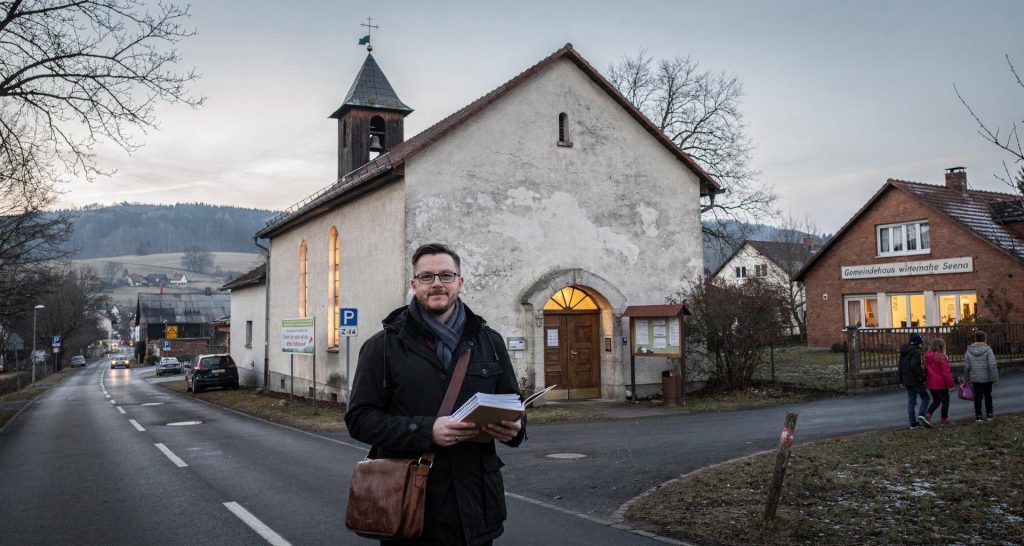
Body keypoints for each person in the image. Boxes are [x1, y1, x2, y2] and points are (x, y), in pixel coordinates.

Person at [345, 243, 525, 545]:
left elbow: (513, 402)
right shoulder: (383, 347)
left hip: (475, 510)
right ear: (414, 284)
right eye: (427, 277)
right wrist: (428, 430)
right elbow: (360, 419)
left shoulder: (490, 342)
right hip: (409, 508)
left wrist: (516, 428)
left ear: (460, 282)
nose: (437, 283)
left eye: (446, 275)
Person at [963, 330, 999, 422]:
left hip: (975, 378)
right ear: (985, 339)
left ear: (975, 339)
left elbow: (967, 366)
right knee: (988, 396)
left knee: (977, 397)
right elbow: (992, 365)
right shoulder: (988, 350)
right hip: (987, 378)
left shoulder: (969, 351)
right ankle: (989, 414)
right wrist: (995, 378)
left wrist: (966, 378)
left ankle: (978, 416)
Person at [898, 333, 930, 428]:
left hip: (906, 380)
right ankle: (921, 415)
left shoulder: (903, 351)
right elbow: (914, 365)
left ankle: (913, 423)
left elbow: (900, 366)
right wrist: (921, 377)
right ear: (917, 342)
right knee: (926, 397)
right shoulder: (915, 352)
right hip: (915, 380)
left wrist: (901, 380)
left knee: (911, 401)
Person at [923, 338, 955, 425]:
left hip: (931, 383)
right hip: (941, 384)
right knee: (945, 401)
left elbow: (926, 370)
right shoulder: (941, 357)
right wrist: (951, 385)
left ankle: (928, 415)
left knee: (936, 401)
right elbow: (946, 373)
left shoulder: (927, 357)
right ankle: (944, 419)